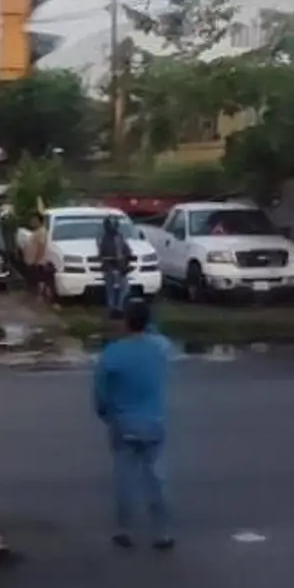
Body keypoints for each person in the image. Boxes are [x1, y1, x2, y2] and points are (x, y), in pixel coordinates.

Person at [93, 298, 174, 550]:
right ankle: (162, 533)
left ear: (126, 322)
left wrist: (107, 416)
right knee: (156, 479)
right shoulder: (159, 348)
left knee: (124, 479)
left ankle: (124, 530)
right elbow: (165, 344)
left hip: (123, 423)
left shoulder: (112, 354)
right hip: (154, 423)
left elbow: (100, 395)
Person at [99, 217, 133, 318]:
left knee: (122, 288)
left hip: (119, 268)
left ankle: (118, 308)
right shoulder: (105, 239)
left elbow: (127, 250)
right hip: (111, 268)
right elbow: (102, 254)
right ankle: (115, 309)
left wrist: (128, 257)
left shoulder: (118, 237)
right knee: (113, 290)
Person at [23, 213, 51, 304]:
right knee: (36, 278)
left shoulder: (42, 232)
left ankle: (41, 296)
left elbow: (41, 246)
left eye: (34, 220)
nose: (32, 222)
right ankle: (39, 295)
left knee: (40, 279)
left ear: (39, 221)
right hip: (32, 260)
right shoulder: (36, 231)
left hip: (39, 261)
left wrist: (38, 259)